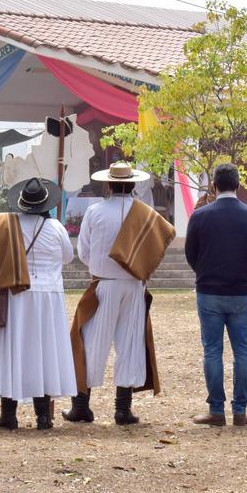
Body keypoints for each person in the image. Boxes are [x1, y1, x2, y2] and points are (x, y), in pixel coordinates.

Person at [66, 162, 175, 425]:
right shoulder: (146, 213)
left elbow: (84, 252)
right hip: (134, 284)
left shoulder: (95, 211)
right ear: (133, 184)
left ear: (108, 184)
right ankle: (123, 409)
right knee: (130, 343)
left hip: (104, 283)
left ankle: (82, 406)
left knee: (91, 341)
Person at [0, 178, 77, 430]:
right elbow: (68, 258)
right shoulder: (56, 228)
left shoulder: (5, 226)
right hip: (48, 295)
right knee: (44, 350)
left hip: (14, 292)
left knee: (13, 348)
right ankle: (43, 415)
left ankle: (8, 413)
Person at [184, 163, 247, 427]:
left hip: (209, 290)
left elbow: (190, 253)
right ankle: (240, 410)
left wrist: (204, 270)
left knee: (212, 351)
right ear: (238, 185)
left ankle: (216, 410)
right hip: (241, 290)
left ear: (214, 186)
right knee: (242, 351)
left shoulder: (200, 215)